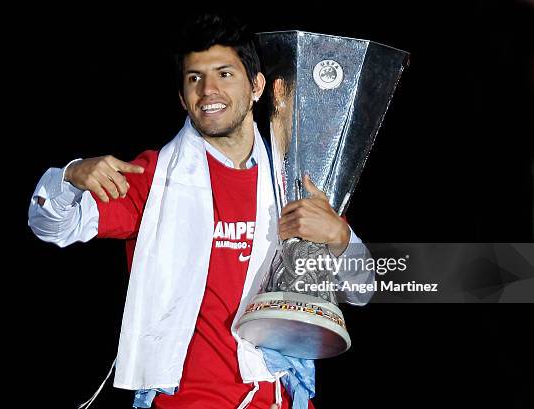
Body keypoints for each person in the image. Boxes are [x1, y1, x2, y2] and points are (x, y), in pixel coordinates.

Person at [28, 13, 374, 409]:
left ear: (257, 86)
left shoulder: (295, 178)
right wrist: (70, 176)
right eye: (195, 78)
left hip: (282, 397)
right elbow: (54, 226)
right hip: (188, 400)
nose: (208, 89)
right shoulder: (154, 178)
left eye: (225, 74)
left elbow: (361, 291)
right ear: (182, 96)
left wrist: (341, 239)